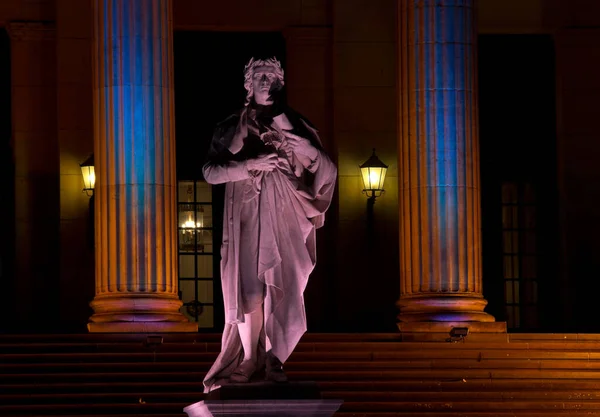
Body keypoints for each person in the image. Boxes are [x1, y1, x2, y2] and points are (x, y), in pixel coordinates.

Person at [202, 57, 337, 392]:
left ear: (280, 83)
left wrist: (307, 149)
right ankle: (249, 359)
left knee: (283, 284)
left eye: (271, 76)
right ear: (248, 83)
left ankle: (274, 355)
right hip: (246, 213)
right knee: (249, 288)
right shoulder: (232, 125)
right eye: (259, 76)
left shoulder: (295, 124)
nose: (265, 81)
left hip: (285, 214)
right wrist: (249, 164)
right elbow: (211, 172)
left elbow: (325, 168)